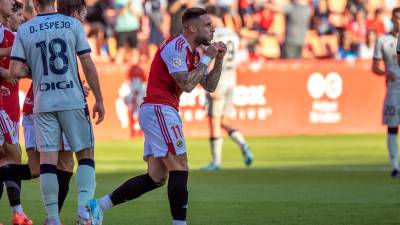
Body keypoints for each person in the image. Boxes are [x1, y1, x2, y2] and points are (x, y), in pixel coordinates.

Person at [88, 7, 226, 225]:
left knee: (157, 177)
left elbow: (209, 85)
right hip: (159, 109)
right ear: (191, 28)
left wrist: (217, 60)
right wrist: (206, 60)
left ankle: (99, 206)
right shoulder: (176, 47)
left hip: (161, 110)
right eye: (208, 25)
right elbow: (187, 85)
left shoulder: (195, 51)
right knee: (180, 166)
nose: (213, 29)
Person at [9, 0, 105, 224]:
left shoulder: (25, 29)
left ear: (34, 3)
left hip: (43, 102)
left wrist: (35, 68)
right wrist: (99, 99)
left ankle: (52, 218)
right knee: (85, 155)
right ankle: (83, 212)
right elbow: (87, 62)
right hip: (72, 98)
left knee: (48, 161)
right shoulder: (72, 24)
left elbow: (15, 70)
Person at [201, 7, 252, 171]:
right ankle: (243, 144)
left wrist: (209, 84)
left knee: (214, 122)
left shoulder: (213, 35)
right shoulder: (233, 35)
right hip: (232, 80)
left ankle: (216, 162)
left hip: (218, 81)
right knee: (224, 121)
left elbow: (210, 60)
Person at [0, 1, 33, 225]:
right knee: (11, 155)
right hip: (2, 103)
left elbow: (25, 70)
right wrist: (5, 72)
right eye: (17, 14)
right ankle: (18, 212)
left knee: (8, 158)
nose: (19, 17)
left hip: (10, 103)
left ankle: (17, 213)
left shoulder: (12, 35)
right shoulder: (6, 35)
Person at [372, 7, 400, 178]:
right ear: (391, 19)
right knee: (392, 127)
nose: (398, 21)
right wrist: (385, 73)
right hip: (393, 89)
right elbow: (374, 66)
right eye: (396, 18)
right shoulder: (382, 40)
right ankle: (395, 165)